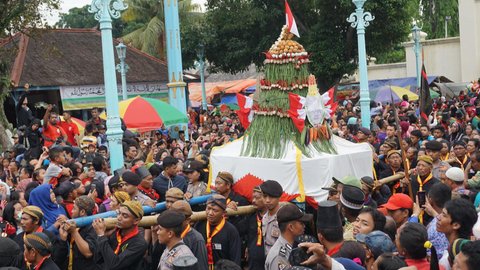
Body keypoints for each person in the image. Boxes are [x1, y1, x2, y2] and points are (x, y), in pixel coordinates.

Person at [92, 200, 148, 270]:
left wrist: (101, 236)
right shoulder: (114, 232)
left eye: (125, 216)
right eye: (119, 213)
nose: (119, 218)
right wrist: (104, 236)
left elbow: (115, 264)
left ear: (136, 220)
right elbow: (98, 259)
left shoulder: (139, 244)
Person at [194, 194, 241, 267]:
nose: (210, 213)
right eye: (208, 208)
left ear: (223, 213)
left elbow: (235, 260)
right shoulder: (199, 225)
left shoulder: (231, 231)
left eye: (215, 210)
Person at [264, 203, 313, 270]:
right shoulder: (279, 256)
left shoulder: (292, 246)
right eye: (301, 223)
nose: (304, 226)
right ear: (291, 227)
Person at [57, 196, 98, 269]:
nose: (72, 211)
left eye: (74, 208)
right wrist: (63, 239)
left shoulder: (93, 227)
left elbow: (88, 253)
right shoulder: (76, 225)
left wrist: (74, 232)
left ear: (82, 212)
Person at [437, 198, 478, 269]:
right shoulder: (470, 250)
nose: (438, 217)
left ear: (456, 225)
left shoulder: (453, 259)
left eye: (444, 215)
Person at [170, 200, 208, 270]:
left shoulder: (196, 240)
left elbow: (201, 267)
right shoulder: (169, 233)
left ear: (188, 220)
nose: (173, 221)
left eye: (177, 218)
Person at [245, 186, 267, 270]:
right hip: (254, 262)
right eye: (253, 198)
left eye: (257, 198)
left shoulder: (276, 218)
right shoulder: (250, 217)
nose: (253, 201)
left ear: (266, 198)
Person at [260, 180, 283, 255]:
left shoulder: (283, 217)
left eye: (271, 197)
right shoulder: (264, 218)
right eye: (265, 196)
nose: (267, 200)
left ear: (279, 197)